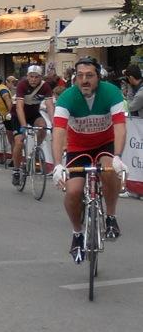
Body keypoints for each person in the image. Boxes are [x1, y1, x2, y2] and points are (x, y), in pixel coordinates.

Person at [51, 56, 128, 262]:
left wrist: (118, 156)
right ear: (75, 78)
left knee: (110, 169)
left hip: (105, 145)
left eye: (90, 76)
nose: (84, 80)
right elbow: (58, 131)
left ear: (98, 77)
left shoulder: (111, 92)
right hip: (78, 148)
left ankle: (111, 216)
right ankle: (77, 234)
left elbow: (120, 126)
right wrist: (58, 163)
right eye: (80, 76)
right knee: (73, 191)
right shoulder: (67, 97)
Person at [11, 64, 55, 185]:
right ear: (27, 76)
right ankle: (16, 170)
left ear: (41, 77)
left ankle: (35, 150)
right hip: (18, 115)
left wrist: (54, 124)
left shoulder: (45, 86)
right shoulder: (22, 85)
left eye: (36, 77)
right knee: (19, 141)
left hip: (33, 113)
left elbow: (50, 106)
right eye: (31, 77)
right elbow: (19, 107)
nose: (34, 79)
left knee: (43, 125)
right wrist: (24, 125)